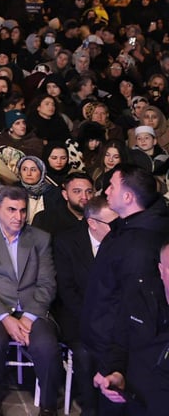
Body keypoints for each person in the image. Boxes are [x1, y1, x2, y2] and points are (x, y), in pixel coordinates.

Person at [0, 185, 62, 416]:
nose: (18, 217)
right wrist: (6, 318)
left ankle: (49, 407)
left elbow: (47, 283)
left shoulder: (40, 238)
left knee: (46, 345)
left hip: (31, 307)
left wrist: (28, 317)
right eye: (11, 210)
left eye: (22, 210)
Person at [85, 165, 169, 416]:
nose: (106, 191)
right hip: (115, 352)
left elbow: (132, 310)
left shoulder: (140, 245)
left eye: (112, 185)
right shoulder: (129, 228)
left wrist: (113, 363)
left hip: (123, 360)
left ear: (129, 197)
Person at [54, 196, 118, 416]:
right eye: (113, 223)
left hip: (112, 316)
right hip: (78, 316)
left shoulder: (121, 242)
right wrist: (93, 320)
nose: (118, 228)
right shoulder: (66, 242)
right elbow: (67, 289)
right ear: (92, 223)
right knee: (84, 353)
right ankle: (90, 408)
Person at [92, 240, 169, 416]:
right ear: (160, 270)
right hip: (132, 402)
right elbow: (120, 345)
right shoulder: (139, 300)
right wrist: (116, 374)